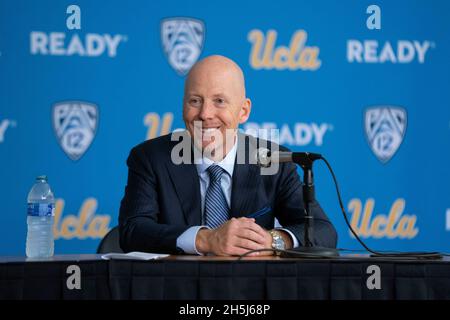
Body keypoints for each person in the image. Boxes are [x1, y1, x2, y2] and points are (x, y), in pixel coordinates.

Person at [119, 55, 337, 256]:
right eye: (195, 100)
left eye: (219, 101)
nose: (205, 114)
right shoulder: (150, 158)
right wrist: (206, 239)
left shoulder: (274, 160)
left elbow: (323, 230)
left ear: (243, 111)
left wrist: (273, 240)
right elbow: (132, 231)